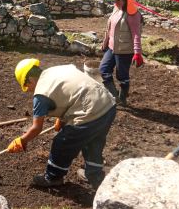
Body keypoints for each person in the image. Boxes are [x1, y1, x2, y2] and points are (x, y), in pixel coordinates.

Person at [7, 58, 116, 189]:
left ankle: (53, 177)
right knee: (93, 141)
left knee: (62, 142)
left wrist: (22, 141)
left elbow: (36, 128)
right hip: (108, 104)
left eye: (26, 87)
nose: (29, 90)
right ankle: (94, 175)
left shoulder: (40, 95)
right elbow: (72, 91)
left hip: (90, 111)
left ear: (30, 79)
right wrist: (63, 119)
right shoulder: (56, 70)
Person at [100, 0, 143, 106]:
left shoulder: (133, 15)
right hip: (111, 48)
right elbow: (110, 28)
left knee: (122, 76)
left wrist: (137, 53)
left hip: (125, 50)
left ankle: (123, 97)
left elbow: (136, 35)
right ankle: (114, 97)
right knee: (103, 70)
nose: (115, 3)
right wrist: (105, 42)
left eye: (118, 0)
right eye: (114, 0)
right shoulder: (116, 9)